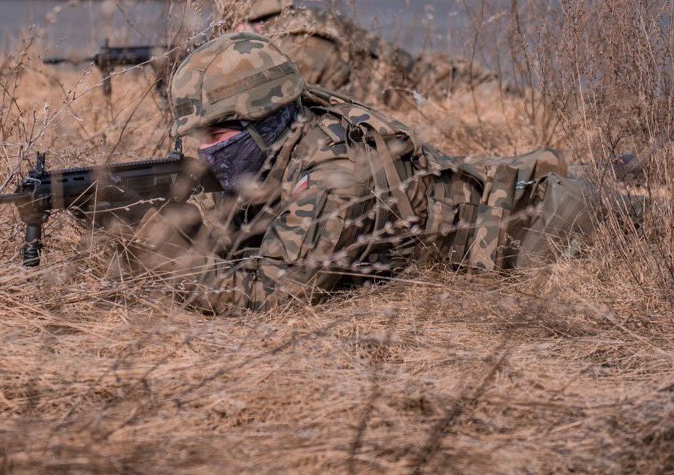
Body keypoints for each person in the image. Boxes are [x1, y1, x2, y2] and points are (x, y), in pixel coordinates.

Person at [125, 32, 628, 314]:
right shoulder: (284, 133)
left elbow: (272, 292)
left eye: (214, 136)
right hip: (491, 184)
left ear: (259, 122)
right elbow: (244, 231)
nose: (203, 152)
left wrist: (168, 263)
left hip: (543, 222)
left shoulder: (334, 176)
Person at [220, 0, 500, 109]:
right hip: (420, 76)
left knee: (491, 94)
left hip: (419, 95)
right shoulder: (304, 20)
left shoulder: (287, 50)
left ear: (242, 22)